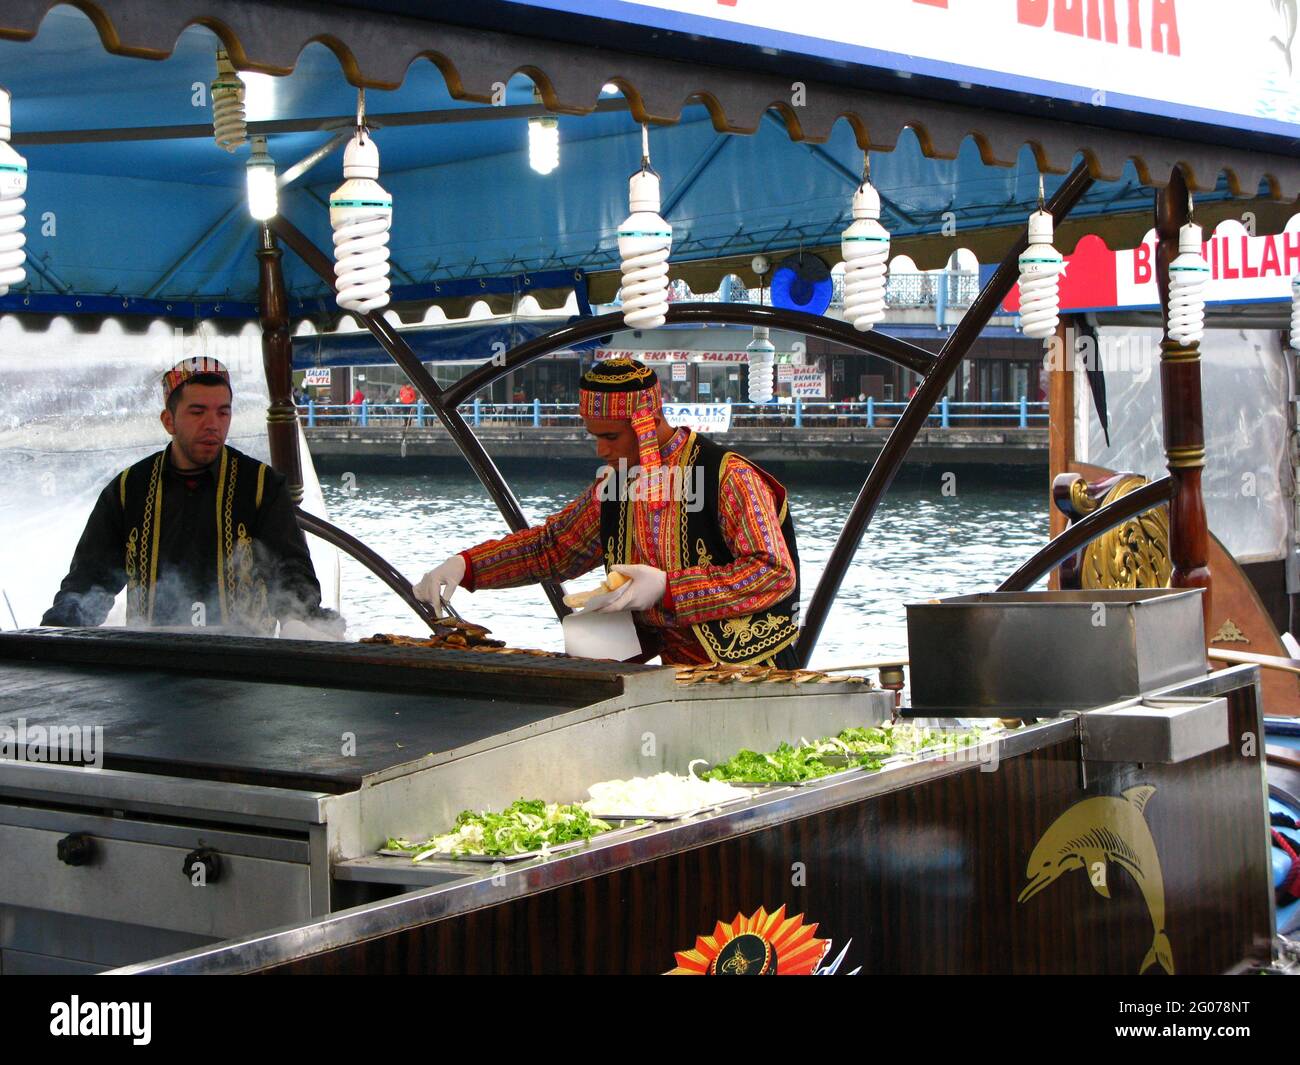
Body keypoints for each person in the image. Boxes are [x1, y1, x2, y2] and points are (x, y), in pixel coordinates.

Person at [414, 357, 800, 666]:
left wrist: (669, 589)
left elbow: (774, 574)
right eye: (595, 436)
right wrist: (467, 566)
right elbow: (553, 548)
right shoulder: (615, 484)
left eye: (611, 436)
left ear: (647, 424)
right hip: (663, 668)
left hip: (744, 672)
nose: (600, 450)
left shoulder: (727, 475)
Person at [42, 357, 344, 639]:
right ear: (168, 421)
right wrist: (53, 634)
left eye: (223, 412)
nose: (213, 424)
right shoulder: (127, 490)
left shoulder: (262, 486)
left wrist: (298, 621)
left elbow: (291, 571)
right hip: (150, 665)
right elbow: (89, 581)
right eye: (198, 412)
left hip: (243, 668)